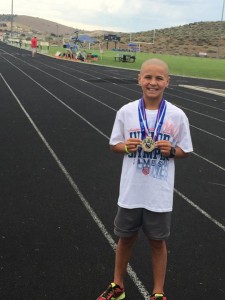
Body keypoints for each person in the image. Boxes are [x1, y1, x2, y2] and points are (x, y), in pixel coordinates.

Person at [96, 58, 193, 300]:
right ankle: (118, 286)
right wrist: (126, 147)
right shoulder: (126, 112)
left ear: (167, 82)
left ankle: (158, 292)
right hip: (131, 191)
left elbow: (185, 150)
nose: (153, 82)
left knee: (157, 243)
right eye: (148, 77)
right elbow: (114, 144)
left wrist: (171, 150)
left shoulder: (177, 115)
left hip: (158, 194)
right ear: (139, 79)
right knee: (125, 239)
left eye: (159, 78)